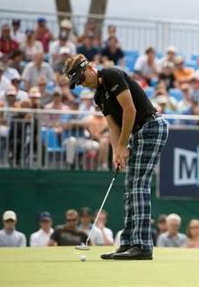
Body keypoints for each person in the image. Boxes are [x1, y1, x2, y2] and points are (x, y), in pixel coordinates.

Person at [64, 54, 169, 260]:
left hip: (152, 126)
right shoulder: (98, 96)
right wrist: (116, 152)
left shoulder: (112, 75)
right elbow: (113, 127)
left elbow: (130, 110)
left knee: (139, 184)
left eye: (82, 79)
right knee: (131, 188)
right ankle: (128, 243)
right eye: (79, 83)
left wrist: (122, 145)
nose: (83, 84)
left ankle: (143, 245)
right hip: (138, 132)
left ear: (90, 68)